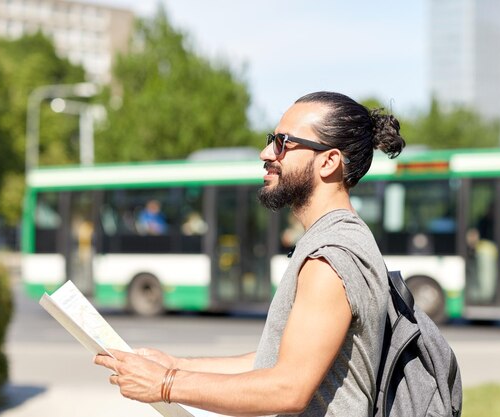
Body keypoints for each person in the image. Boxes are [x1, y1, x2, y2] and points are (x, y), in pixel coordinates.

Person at [94, 91, 405, 416]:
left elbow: (288, 388)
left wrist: (166, 384)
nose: (266, 153)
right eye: (271, 139)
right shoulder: (337, 239)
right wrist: (174, 364)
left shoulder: (330, 256)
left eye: (283, 143)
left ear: (328, 161)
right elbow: (274, 362)